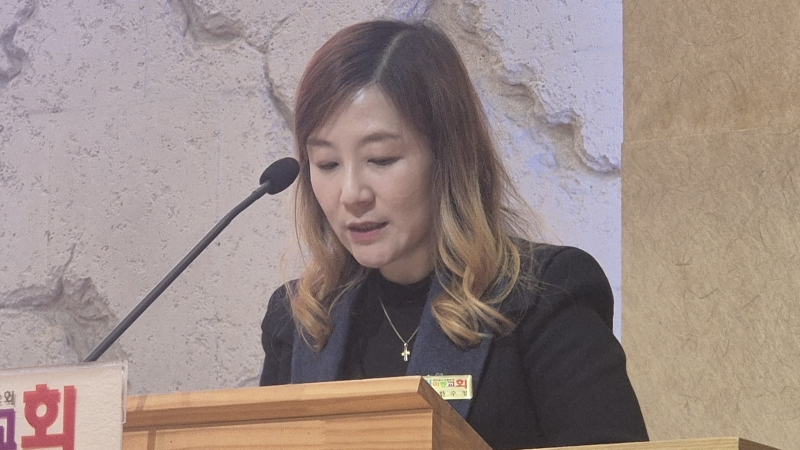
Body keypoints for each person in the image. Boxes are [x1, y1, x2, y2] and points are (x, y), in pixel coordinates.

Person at [260, 20, 648, 449]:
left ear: (447, 156)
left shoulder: (544, 296)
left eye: (381, 159)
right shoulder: (300, 318)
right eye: (327, 164)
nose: (351, 194)